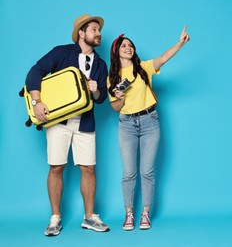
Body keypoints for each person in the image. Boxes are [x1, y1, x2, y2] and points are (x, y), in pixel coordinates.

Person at [25, 13, 110, 236]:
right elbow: (35, 71)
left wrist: (96, 91)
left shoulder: (101, 64)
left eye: (99, 30)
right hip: (58, 120)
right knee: (56, 167)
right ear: (81, 33)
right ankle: (55, 218)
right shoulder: (61, 53)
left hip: (86, 122)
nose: (98, 33)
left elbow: (102, 98)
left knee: (89, 168)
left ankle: (90, 217)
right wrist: (37, 102)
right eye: (94, 29)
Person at [107, 25, 190, 230]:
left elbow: (163, 58)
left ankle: (145, 213)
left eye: (130, 45)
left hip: (149, 122)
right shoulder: (113, 78)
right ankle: (129, 215)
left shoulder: (143, 68)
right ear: (116, 51)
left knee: (147, 172)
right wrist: (120, 98)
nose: (128, 47)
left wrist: (180, 43)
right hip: (126, 124)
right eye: (124, 45)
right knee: (129, 173)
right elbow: (115, 108)